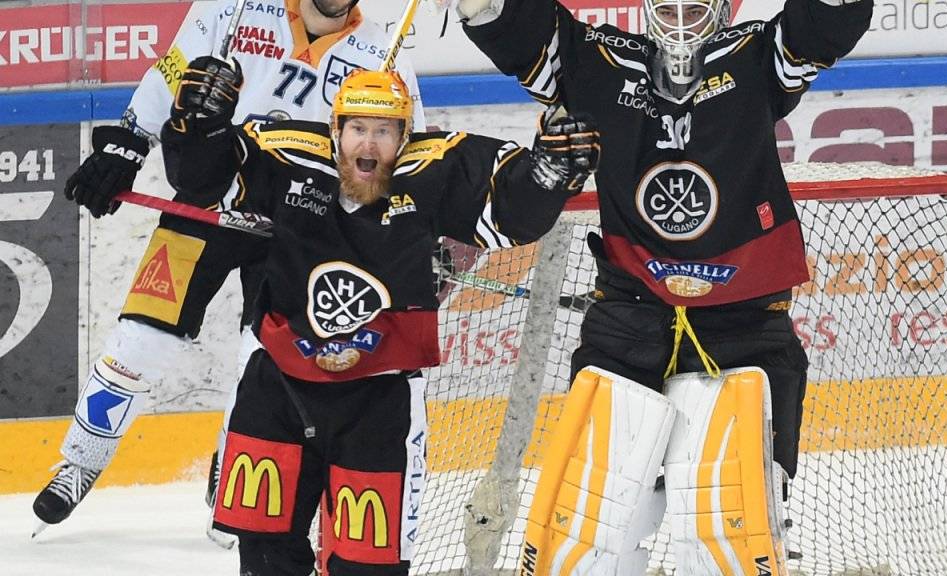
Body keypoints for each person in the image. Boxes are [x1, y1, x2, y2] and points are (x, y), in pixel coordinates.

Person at [453, 0, 873, 573]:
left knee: (732, 522)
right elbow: (526, 34)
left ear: (724, 9)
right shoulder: (601, 64)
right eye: (669, 6)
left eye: (695, 7)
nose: (681, 19)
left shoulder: (754, 58)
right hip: (630, 318)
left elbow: (823, 25)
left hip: (744, 322)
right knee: (589, 522)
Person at [159, 59, 598, 575]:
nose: (369, 147)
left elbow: (514, 213)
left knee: (369, 567)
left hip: (379, 404)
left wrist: (547, 173)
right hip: (277, 388)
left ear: (405, 136)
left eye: (384, 132)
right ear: (335, 130)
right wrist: (197, 124)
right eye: (358, 130)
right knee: (264, 557)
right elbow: (201, 179)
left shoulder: (434, 171)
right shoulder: (284, 156)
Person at [35, 0, 426, 533]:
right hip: (207, 204)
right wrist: (127, 144)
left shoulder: (383, 54)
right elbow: (172, 72)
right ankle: (80, 460)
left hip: (298, 230)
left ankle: (231, 476)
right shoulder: (231, 10)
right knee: (138, 338)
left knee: (260, 363)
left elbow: (406, 155)